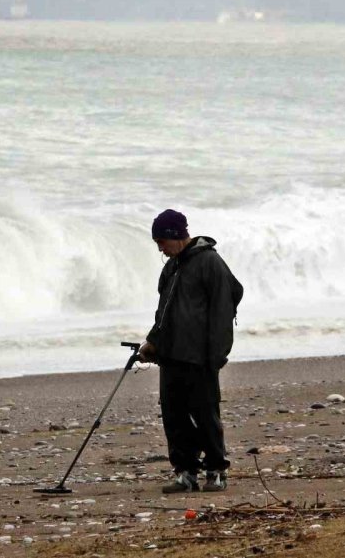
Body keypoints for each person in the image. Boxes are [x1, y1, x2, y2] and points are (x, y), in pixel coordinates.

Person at [139, 209, 243, 493]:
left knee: (205, 415)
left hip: (200, 357)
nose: (159, 248)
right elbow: (163, 314)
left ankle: (216, 471)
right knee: (173, 417)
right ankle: (185, 473)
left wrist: (217, 354)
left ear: (176, 235)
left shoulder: (210, 262)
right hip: (171, 356)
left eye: (162, 241)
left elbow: (224, 309)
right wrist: (153, 343)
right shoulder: (171, 267)